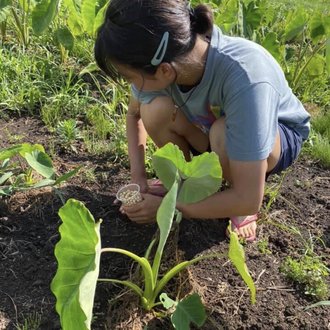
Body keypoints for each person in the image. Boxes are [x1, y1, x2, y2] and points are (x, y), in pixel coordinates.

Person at [94, 0, 310, 241]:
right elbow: (135, 114)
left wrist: (170, 207)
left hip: (275, 137)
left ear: (164, 70)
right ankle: (187, 183)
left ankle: (230, 194)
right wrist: (138, 178)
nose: (132, 86)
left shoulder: (246, 75)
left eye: (131, 78)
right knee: (154, 110)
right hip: (209, 128)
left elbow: (249, 199)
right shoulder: (172, 60)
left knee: (223, 134)